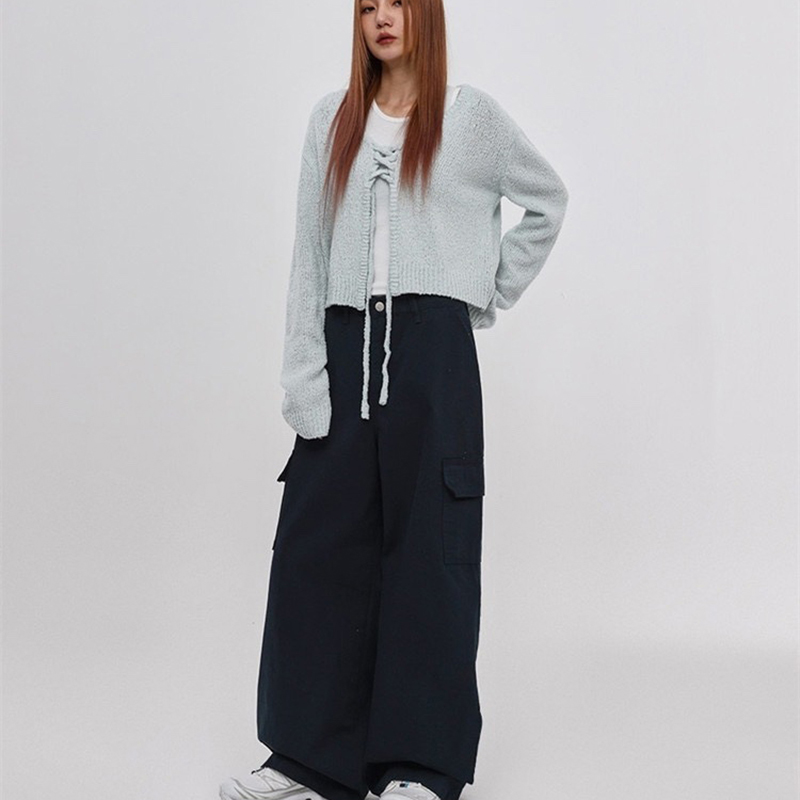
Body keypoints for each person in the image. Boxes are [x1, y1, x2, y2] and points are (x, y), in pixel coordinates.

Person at [219, 1, 569, 799]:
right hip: (345, 344)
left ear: (426, 14)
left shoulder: (469, 118)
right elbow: (309, 254)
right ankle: (309, 761)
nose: (382, 17)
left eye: (398, 2)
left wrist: (483, 291)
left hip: (432, 352)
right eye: (368, 4)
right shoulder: (332, 119)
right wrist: (303, 376)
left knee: (429, 554)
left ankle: (420, 766)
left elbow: (548, 200)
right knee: (317, 551)